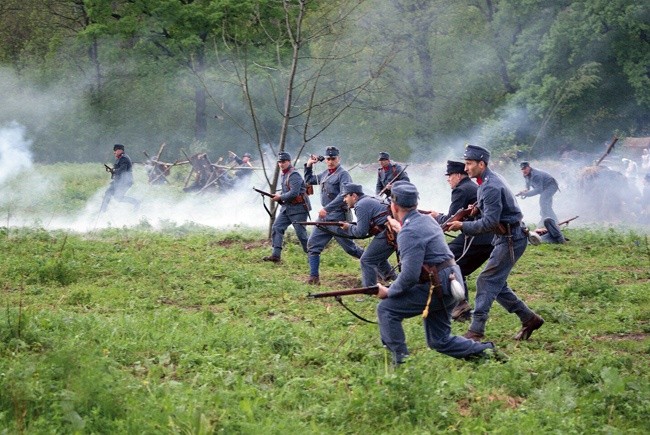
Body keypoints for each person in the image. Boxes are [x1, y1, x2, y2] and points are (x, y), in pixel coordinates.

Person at [375, 181, 499, 365]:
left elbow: (409, 276)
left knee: (386, 310)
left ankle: (401, 364)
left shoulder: (409, 232)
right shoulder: (426, 220)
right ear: (415, 204)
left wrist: (389, 291)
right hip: (450, 282)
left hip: (437, 285)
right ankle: (485, 351)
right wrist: (402, 230)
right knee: (439, 340)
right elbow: (417, 237)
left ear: (393, 206)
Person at [447, 145, 544, 342]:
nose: (465, 169)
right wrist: (475, 210)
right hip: (506, 237)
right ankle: (529, 318)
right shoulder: (487, 181)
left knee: (486, 281)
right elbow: (491, 213)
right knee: (497, 284)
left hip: (510, 238)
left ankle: (476, 330)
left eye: (469, 164)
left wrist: (462, 225)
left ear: (481, 164)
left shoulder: (490, 186)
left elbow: (490, 223)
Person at [429, 161, 493, 321]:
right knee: (458, 267)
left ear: (458, 175)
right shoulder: (471, 187)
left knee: (447, 262)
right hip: (487, 237)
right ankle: (462, 308)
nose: (448, 179)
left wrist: (436, 217)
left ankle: (461, 305)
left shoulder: (460, 190)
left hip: (477, 237)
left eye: (449, 176)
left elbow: (450, 220)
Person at [304, 146, 364, 285]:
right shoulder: (326, 173)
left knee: (351, 249)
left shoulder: (343, 174)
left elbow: (344, 194)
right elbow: (309, 180)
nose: (330, 161)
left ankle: (384, 269)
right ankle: (314, 277)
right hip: (325, 218)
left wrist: (327, 208)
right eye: (328, 159)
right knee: (313, 245)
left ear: (338, 159)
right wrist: (308, 165)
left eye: (333, 159)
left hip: (338, 217)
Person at [340, 183, 396, 287]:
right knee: (379, 259)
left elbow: (360, 232)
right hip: (392, 231)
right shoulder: (371, 198)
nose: (344, 200)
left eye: (345, 196)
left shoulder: (360, 205)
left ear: (354, 196)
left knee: (366, 260)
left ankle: (370, 290)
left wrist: (348, 227)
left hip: (388, 233)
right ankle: (396, 283)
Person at [262, 152, 311, 263]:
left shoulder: (294, 175)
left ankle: (312, 256)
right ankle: (276, 255)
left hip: (298, 209)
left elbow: (294, 193)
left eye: (283, 162)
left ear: (289, 162)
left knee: (301, 235)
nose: (281, 164)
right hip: (287, 208)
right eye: (279, 162)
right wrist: (279, 197)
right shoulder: (284, 174)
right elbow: (286, 192)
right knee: (277, 227)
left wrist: (280, 197)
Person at [100, 144, 140, 213]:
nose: (114, 152)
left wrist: (114, 171)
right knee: (108, 193)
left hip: (125, 182)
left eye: (115, 150)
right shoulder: (120, 158)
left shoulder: (124, 158)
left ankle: (136, 202)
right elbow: (118, 169)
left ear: (120, 150)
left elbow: (122, 170)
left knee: (118, 197)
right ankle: (102, 211)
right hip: (118, 181)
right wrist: (112, 170)